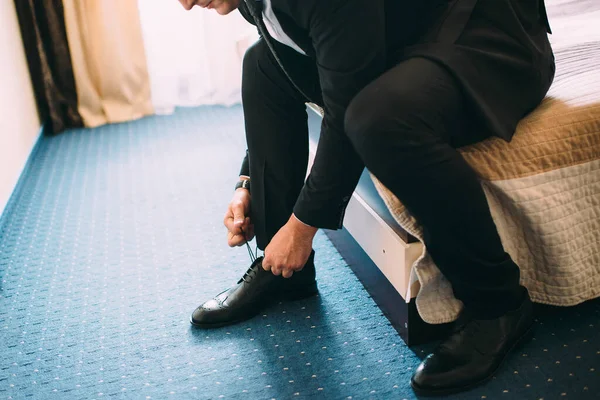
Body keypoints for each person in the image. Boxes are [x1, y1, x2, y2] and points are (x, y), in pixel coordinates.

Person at [179, 0, 555, 395]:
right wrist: (247, 183)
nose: (187, 4)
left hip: (485, 36)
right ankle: (283, 274)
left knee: (378, 119)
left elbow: (345, 111)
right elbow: (283, 52)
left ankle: (499, 305)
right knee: (261, 65)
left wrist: (303, 226)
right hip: (410, 32)